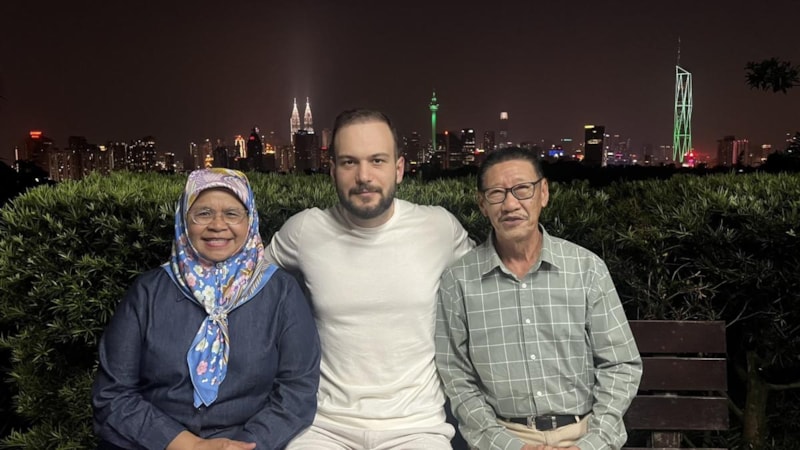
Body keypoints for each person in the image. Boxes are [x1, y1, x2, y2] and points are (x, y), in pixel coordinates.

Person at [265, 108, 475, 449]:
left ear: (399, 169)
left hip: (417, 426)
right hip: (323, 426)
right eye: (349, 162)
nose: (363, 176)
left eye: (377, 160)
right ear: (332, 171)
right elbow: (247, 281)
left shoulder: (438, 227)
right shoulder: (304, 231)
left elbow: (488, 283)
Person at [93, 168, 321, 450]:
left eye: (232, 214)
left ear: (250, 220)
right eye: (203, 213)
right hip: (154, 442)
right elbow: (112, 394)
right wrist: (188, 445)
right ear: (183, 219)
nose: (217, 225)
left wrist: (244, 446)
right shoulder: (148, 292)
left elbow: (297, 392)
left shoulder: (281, 292)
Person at [435, 147, 642, 450]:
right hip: (504, 436)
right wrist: (507, 445)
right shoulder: (459, 280)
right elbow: (455, 376)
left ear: (543, 193)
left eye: (522, 189)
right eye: (496, 193)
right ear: (482, 204)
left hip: (584, 432)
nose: (510, 204)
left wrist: (592, 444)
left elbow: (621, 365)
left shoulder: (586, 268)